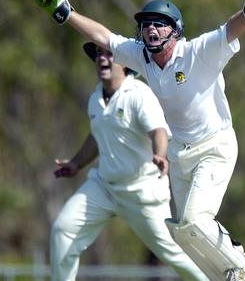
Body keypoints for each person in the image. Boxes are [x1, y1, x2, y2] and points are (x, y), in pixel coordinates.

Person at [36, 0, 245, 281]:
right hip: (180, 154)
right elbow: (104, 37)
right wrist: (64, 10)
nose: (151, 29)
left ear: (175, 30)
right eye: (147, 24)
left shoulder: (197, 52)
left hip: (214, 146)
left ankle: (236, 261)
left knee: (194, 221)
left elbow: (229, 31)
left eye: (160, 24)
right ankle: (223, 275)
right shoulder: (140, 56)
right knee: (184, 236)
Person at [50, 42, 206, 281]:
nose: (102, 59)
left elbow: (158, 132)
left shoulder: (139, 95)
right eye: (99, 55)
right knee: (64, 229)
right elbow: (96, 136)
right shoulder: (96, 99)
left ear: (126, 64)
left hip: (142, 190)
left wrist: (160, 155)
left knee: (173, 253)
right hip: (104, 187)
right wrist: (75, 164)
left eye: (110, 54)